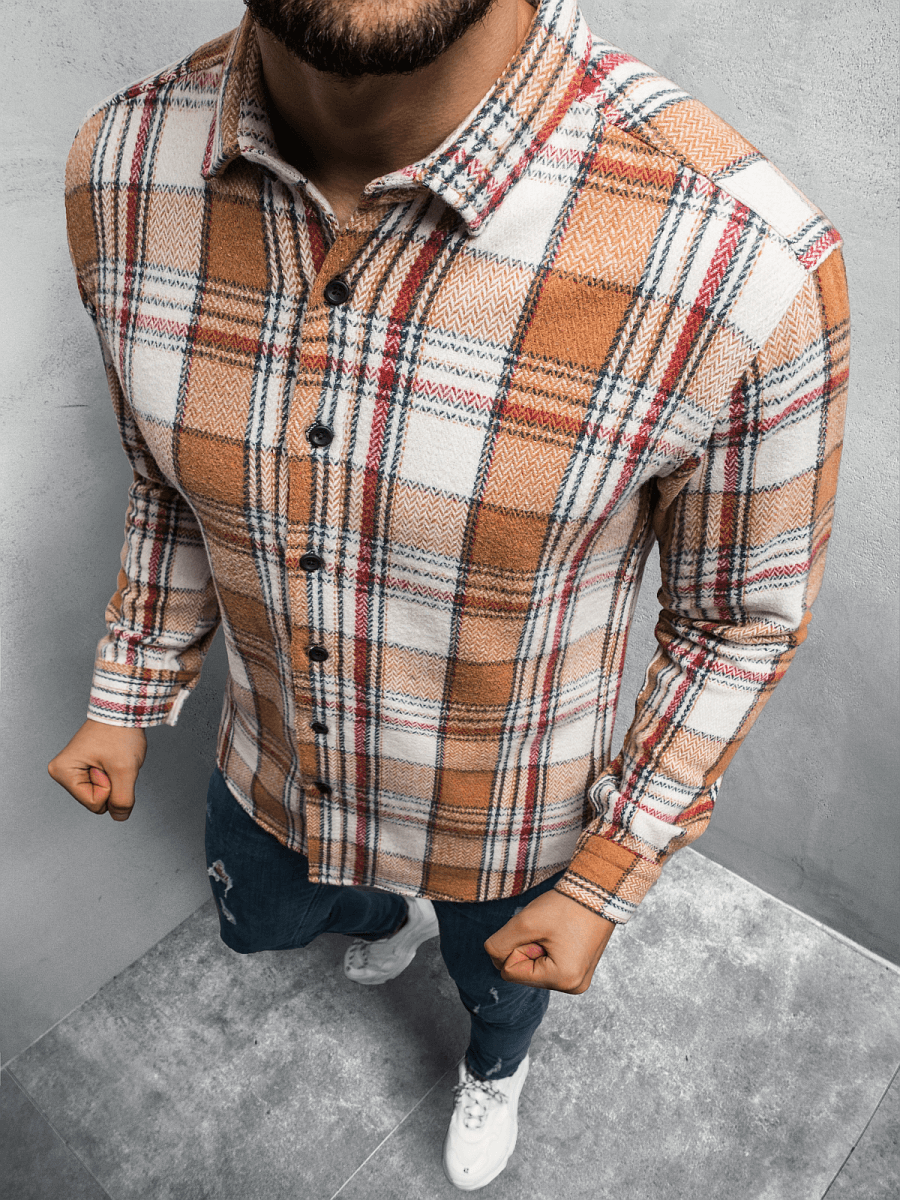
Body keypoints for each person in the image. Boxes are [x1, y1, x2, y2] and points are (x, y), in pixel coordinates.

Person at [48, 0, 849, 1189]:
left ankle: (493, 1065)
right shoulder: (119, 169)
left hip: (512, 803)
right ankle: (389, 912)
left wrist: (610, 872)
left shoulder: (744, 261)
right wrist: (130, 690)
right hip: (279, 748)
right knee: (260, 919)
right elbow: (167, 480)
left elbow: (737, 621)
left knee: (500, 989)